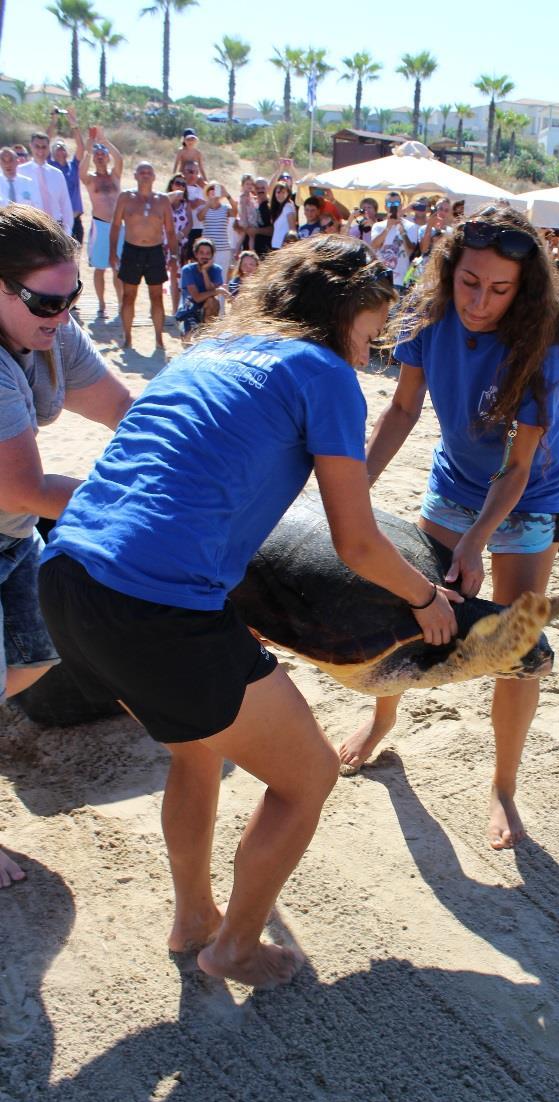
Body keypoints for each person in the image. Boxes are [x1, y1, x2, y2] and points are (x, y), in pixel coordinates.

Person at [38, 236, 459, 988]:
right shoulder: (323, 372)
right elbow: (356, 542)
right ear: (341, 317)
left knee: (194, 749)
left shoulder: (211, 349)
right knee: (307, 776)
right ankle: (232, 945)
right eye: (369, 332)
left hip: (68, 580)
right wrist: (425, 597)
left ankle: (192, 918)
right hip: (155, 608)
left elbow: (195, 488)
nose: (368, 352)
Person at [341, 205, 559, 851]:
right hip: (453, 482)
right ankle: (380, 720)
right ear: (449, 271)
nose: (479, 301)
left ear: (522, 290)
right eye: (468, 282)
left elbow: (519, 466)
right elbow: (401, 408)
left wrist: (477, 542)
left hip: (531, 495)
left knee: (516, 646)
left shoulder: (540, 345)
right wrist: (351, 488)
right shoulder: (429, 318)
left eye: (499, 289)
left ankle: (503, 784)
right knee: (410, 609)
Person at [0, 205, 131, 884]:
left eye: (71, 295)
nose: (62, 312)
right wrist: (134, 505)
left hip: (9, 535)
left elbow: (122, 412)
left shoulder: (52, 331)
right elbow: (24, 485)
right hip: (12, 512)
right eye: (46, 300)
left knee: (36, 653)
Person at [110, 162, 176, 351]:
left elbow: (170, 231)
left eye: (149, 172)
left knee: (157, 297)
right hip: (132, 250)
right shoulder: (125, 197)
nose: (145, 175)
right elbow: (115, 225)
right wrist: (112, 251)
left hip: (155, 251)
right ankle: (128, 337)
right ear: (136, 175)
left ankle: (158, 338)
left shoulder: (162, 200)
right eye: (142, 172)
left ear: (154, 177)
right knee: (129, 295)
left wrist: (174, 255)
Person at [80, 127, 125, 317]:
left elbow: (120, 159)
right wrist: (89, 149)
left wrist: (105, 142)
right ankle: (101, 304)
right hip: (99, 226)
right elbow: (81, 170)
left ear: (107, 158)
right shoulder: (91, 179)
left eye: (102, 154)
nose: (99, 157)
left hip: (117, 226)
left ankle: (122, 303)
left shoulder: (114, 176)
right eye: (97, 155)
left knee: (118, 267)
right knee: (100, 268)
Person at [18, 132, 73, 233]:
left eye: (44, 147)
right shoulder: (20, 172)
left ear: (48, 148)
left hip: (56, 228)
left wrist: (67, 232)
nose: (40, 150)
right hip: (31, 229)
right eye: (37, 146)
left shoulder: (57, 174)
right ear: (30, 146)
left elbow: (66, 205)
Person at [47, 107, 85, 244]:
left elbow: (81, 147)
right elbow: (45, 141)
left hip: (75, 221)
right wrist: (54, 121)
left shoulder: (73, 166)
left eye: (62, 147)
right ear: (52, 152)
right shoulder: (49, 167)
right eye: (57, 147)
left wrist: (74, 124)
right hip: (57, 222)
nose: (60, 150)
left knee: (76, 260)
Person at [369, 192, 419, 293]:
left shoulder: (411, 226)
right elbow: (374, 246)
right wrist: (388, 227)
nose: (393, 206)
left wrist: (402, 230)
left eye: (396, 203)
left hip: (401, 280)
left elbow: (411, 250)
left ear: (401, 206)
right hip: (381, 279)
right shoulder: (378, 226)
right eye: (389, 204)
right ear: (385, 207)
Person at [176, 237, 225, 339]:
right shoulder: (188, 270)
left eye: (208, 253)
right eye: (201, 253)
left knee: (212, 301)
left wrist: (204, 271)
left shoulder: (216, 270)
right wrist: (216, 291)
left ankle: (207, 332)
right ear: (196, 254)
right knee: (188, 341)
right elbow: (197, 297)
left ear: (212, 255)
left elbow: (210, 290)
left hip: (207, 308)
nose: (205, 256)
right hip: (189, 309)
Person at [195, 181, 237, 280]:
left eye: (216, 189)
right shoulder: (203, 207)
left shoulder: (225, 208)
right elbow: (200, 217)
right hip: (207, 250)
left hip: (223, 248)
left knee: (221, 278)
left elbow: (235, 212)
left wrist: (227, 195)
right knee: (206, 276)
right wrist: (209, 203)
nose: (213, 191)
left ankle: (221, 296)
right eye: (211, 189)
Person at [165, 175, 192, 314]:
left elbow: (190, 223)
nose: (180, 186)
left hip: (180, 245)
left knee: (177, 278)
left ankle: (175, 309)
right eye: (177, 183)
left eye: (183, 184)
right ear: (171, 185)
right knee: (162, 276)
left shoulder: (186, 204)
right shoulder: (164, 201)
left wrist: (180, 235)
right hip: (165, 244)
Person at [268, 178, 297, 251]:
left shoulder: (288, 206)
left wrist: (289, 245)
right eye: (278, 192)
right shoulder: (281, 207)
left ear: (288, 193)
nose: (280, 195)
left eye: (283, 192)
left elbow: (292, 229)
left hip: (283, 247)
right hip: (276, 246)